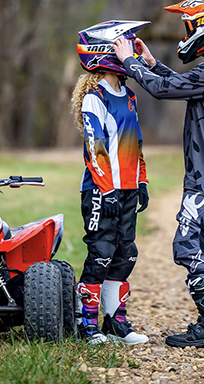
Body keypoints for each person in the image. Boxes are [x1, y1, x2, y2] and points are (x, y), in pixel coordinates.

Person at [112, 0, 204, 349]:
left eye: (190, 26)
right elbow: (182, 84)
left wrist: (128, 61)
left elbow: (162, 90)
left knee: (187, 246)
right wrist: (151, 62)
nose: (187, 33)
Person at [71, 20, 151, 345]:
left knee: (125, 254)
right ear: (106, 53)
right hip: (101, 190)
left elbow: (136, 142)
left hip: (128, 189)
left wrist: (141, 181)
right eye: (124, 45)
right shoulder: (95, 97)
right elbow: (95, 148)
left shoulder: (129, 96)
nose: (129, 50)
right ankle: (86, 324)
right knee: (101, 253)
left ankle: (116, 323)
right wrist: (107, 190)